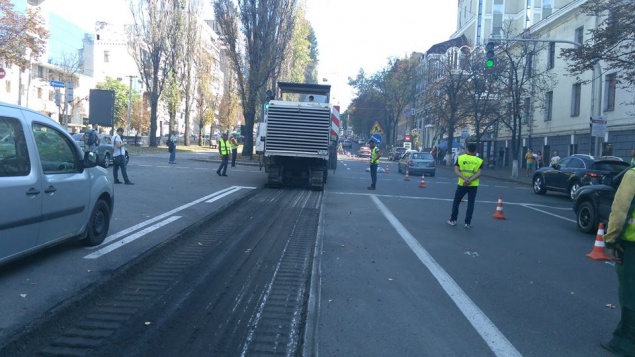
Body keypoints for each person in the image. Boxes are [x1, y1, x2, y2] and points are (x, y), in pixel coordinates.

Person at [601, 167, 635, 356]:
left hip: (631, 247)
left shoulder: (632, 175)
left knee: (630, 295)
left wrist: (611, 239)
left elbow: (620, 210)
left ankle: (626, 343)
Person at [447, 142, 482, 229]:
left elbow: (456, 171)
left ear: (467, 149)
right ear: (475, 151)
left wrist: (465, 179)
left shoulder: (460, 158)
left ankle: (453, 220)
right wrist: (470, 180)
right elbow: (479, 173)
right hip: (473, 185)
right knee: (471, 203)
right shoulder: (479, 160)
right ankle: (467, 223)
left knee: (456, 201)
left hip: (462, 184)